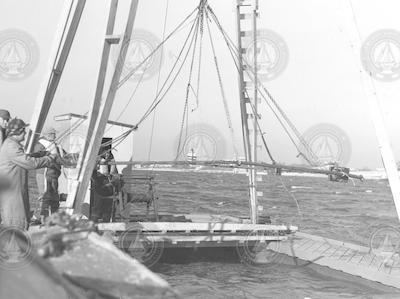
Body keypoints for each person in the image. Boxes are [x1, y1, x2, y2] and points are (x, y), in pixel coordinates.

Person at [0, 118, 56, 230]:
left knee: (21, 224)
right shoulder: (11, 146)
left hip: (16, 192)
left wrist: (38, 154)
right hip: (13, 196)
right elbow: (30, 164)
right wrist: (49, 158)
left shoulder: (12, 145)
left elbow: (23, 158)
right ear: (17, 132)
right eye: (23, 130)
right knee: (17, 226)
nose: (25, 132)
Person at [34, 127, 66, 218]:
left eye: (54, 134)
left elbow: (65, 155)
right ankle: (39, 216)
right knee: (44, 195)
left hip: (54, 174)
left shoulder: (56, 145)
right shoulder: (40, 145)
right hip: (44, 173)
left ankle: (54, 216)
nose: (55, 135)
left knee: (54, 195)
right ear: (47, 135)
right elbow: (38, 156)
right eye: (53, 134)